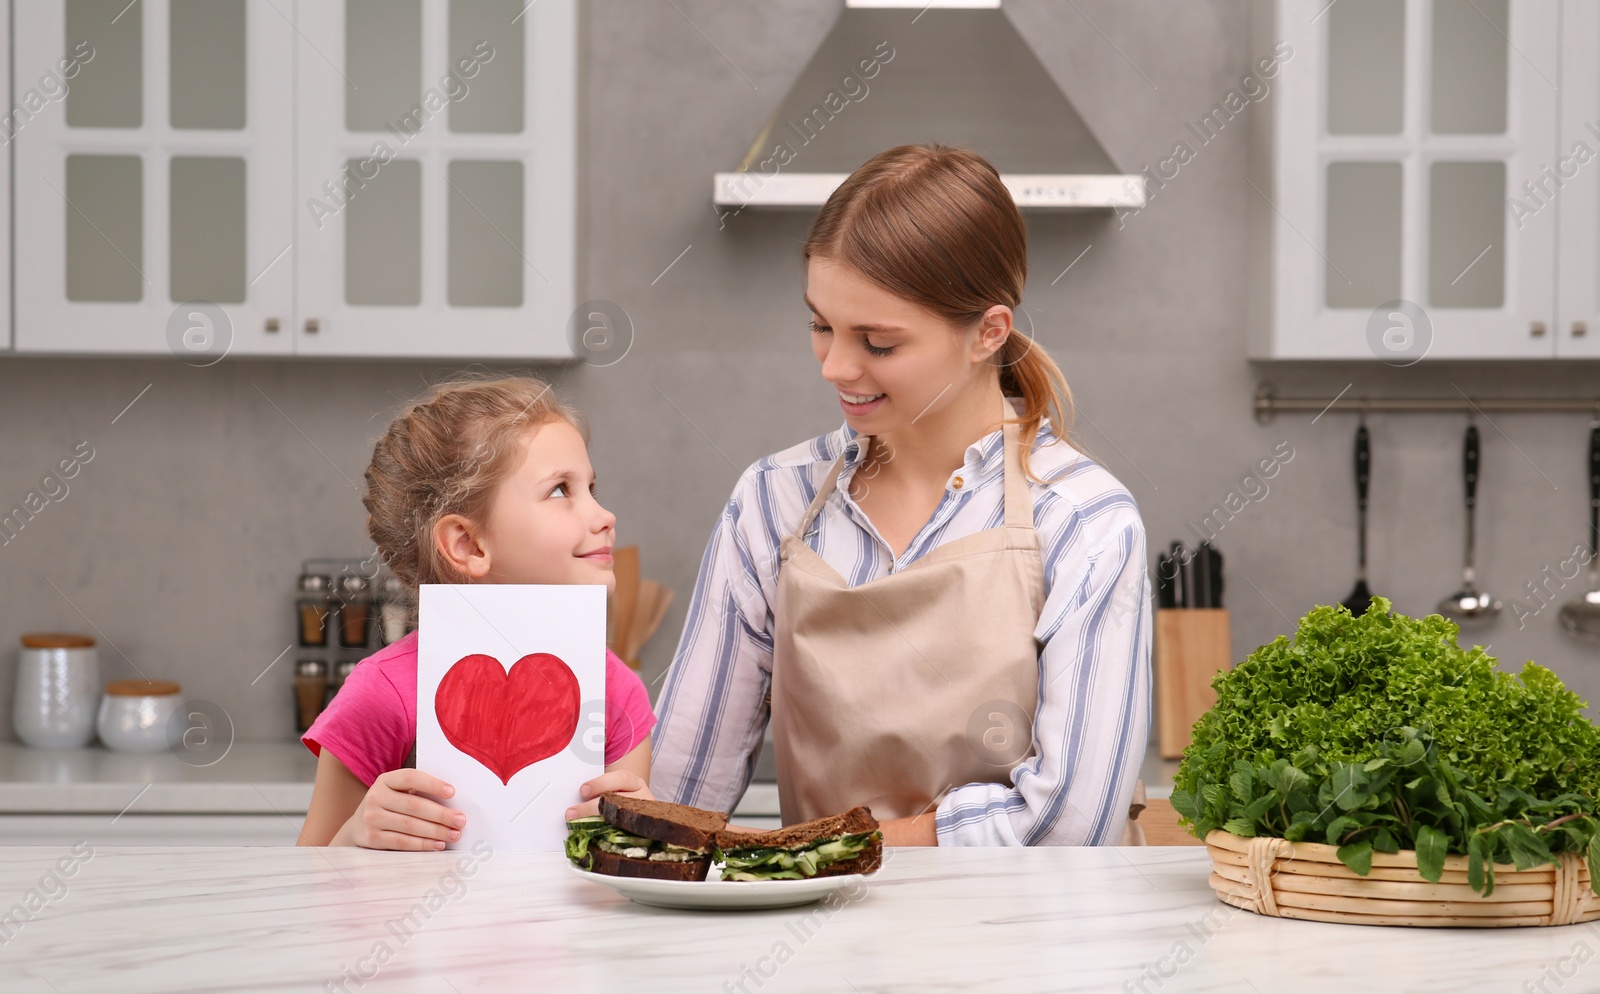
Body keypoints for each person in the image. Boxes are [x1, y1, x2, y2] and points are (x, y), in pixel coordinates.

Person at [650, 144, 1151, 847]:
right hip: (822, 943)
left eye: (877, 342)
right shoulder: (771, 501)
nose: (835, 365)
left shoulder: (1081, 521)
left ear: (988, 332)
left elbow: (1070, 824)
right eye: (821, 325)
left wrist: (837, 851)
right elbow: (680, 789)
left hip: (1025, 946)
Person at [298, 376, 655, 849]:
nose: (604, 514)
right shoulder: (380, 695)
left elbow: (622, 891)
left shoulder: (617, 693)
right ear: (468, 544)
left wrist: (640, 835)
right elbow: (309, 879)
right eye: (559, 491)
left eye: (590, 487)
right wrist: (352, 836)